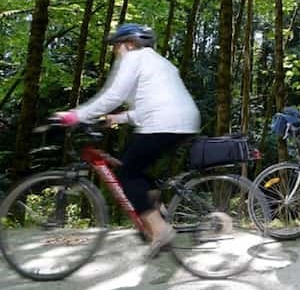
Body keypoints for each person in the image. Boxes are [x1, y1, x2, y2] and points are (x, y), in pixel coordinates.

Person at [55, 23, 201, 256]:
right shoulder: (162, 63)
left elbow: (113, 95)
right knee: (134, 166)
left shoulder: (134, 59)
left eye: (116, 46)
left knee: (127, 174)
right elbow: (149, 106)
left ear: (129, 44)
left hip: (162, 123)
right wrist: (119, 118)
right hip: (183, 122)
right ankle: (158, 216)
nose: (115, 51)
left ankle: (159, 229)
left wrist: (76, 115)